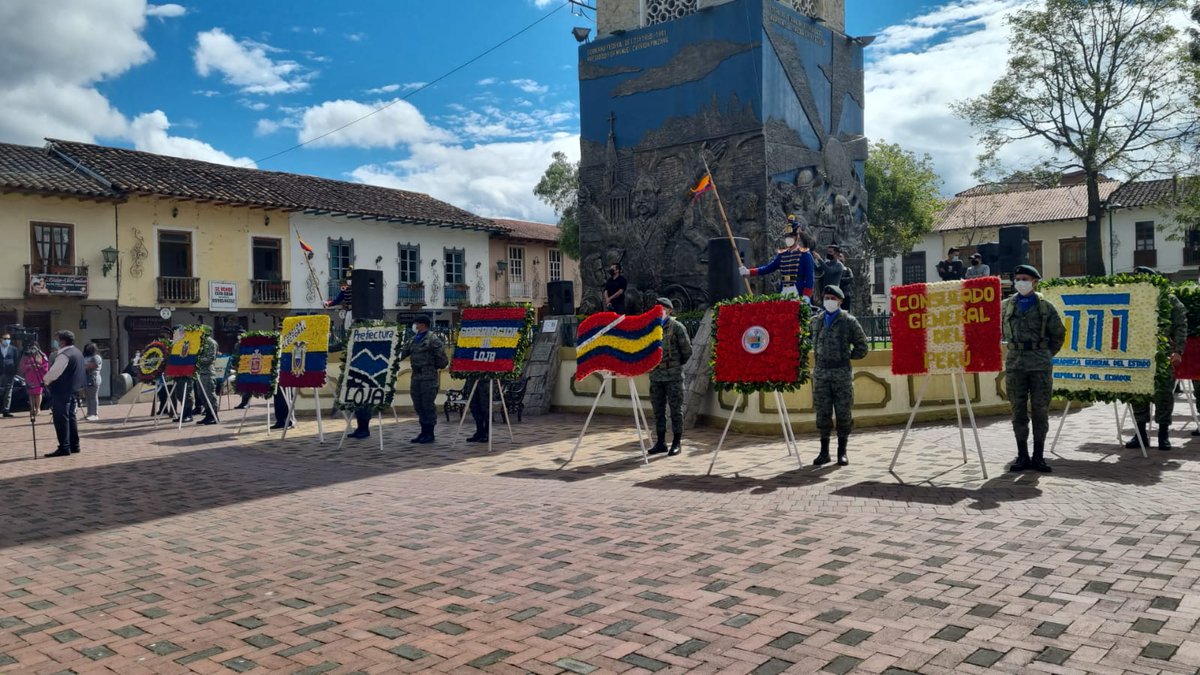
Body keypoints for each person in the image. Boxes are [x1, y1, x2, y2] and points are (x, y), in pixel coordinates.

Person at [1002, 264, 1066, 472]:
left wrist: (1046, 354)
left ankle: (1038, 456)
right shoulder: (1007, 306)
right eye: (1018, 278)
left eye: (1025, 279)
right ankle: (1022, 456)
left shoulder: (1045, 306)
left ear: (1035, 282)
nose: (1020, 282)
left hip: (1039, 365)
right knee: (1018, 410)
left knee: (1040, 410)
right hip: (1015, 365)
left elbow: (1058, 334)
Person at [1126, 266, 1186, 450]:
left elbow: (1181, 324)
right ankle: (1141, 435)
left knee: (1164, 395)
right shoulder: (1131, 299)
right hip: (1137, 352)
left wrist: (1179, 351)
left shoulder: (1168, 299)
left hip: (1162, 355)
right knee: (1138, 394)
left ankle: (1163, 435)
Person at [810, 285, 868, 466]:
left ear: (840, 301)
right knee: (822, 412)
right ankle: (824, 452)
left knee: (843, 412)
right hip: (821, 372)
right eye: (826, 297)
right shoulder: (816, 320)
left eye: (833, 299)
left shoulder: (849, 321)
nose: (829, 301)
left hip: (841, 373)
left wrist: (846, 357)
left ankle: (842, 452)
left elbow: (862, 347)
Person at [649, 298, 693, 456]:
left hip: (673, 376)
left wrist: (674, 365)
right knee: (658, 410)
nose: (657, 311)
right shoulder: (651, 328)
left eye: (660, 308)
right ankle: (660, 442)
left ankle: (676, 442)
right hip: (655, 376)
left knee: (676, 410)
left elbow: (687, 351)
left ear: (668, 310)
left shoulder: (677, 327)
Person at [739, 216, 817, 302]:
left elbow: (810, 277)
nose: (788, 238)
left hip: (799, 291)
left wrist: (806, 296)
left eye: (791, 236)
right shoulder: (782, 255)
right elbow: (768, 268)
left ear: (796, 237)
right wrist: (748, 272)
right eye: (787, 236)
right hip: (784, 291)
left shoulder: (805, 255)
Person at [405, 315, 448, 443]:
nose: (414, 326)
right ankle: (423, 432)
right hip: (416, 376)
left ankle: (430, 433)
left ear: (422, 324)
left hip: (428, 377)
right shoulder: (413, 340)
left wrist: (431, 367)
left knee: (427, 405)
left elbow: (442, 360)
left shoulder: (433, 339)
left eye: (416, 323)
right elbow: (402, 353)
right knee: (418, 405)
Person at [43, 330, 85, 457]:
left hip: (62, 390)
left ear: (62, 341)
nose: (56, 342)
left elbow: (54, 372)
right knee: (71, 418)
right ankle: (74, 445)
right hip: (73, 390)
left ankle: (64, 447)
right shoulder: (77, 352)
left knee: (61, 419)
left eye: (58, 339)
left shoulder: (64, 355)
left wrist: (45, 380)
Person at [18, 343, 50, 418]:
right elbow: (22, 365)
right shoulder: (26, 355)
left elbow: (46, 365)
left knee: (38, 393)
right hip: (30, 376)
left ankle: (38, 408)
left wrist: (40, 367)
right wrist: (29, 366)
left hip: (38, 376)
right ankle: (32, 409)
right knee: (31, 393)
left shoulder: (42, 355)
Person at [462, 374, 492, 443]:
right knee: (474, 407)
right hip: (472, 378)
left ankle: (486, 433)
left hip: (485, 380)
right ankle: (479, 431)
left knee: (485, 408)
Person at [82, 342, 103, 421]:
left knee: (93, 397)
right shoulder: (85, 357)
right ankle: (89, 413)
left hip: (93, 378)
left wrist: (82, 366)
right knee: (87, 397)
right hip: (85, 379)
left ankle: (94, 414)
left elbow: (92, 366)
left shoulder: (96, 357)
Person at [0, 331, 18, 417]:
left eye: (8, 339)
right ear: (1, 339)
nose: (7, 340)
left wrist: (15, 371)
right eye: (5, 338)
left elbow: (16, 360)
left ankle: (6, 410)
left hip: (9, 373)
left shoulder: (13, 349)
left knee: (8, 392)